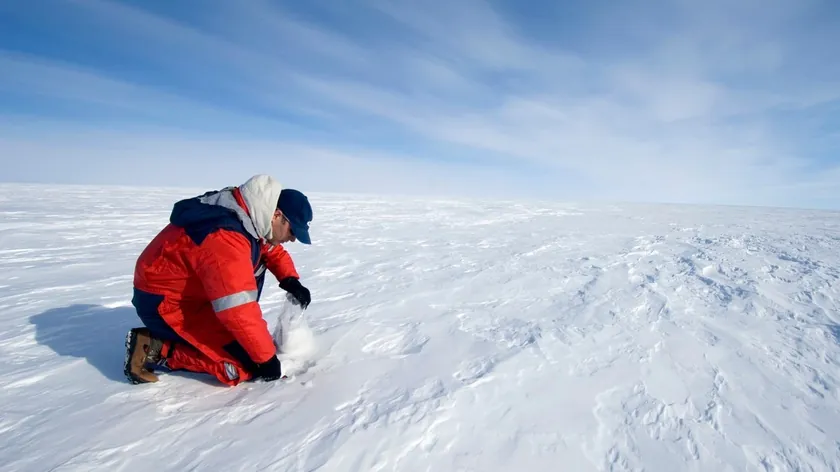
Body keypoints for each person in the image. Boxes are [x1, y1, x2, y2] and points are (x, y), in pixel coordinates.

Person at [123, 174, 313, 386]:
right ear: (277, 215)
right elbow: (238, 309)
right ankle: (155, 349)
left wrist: (290, 279)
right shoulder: (226, 237)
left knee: (253, 346)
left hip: (194, 295)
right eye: (293, 231)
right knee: (247, 365)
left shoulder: (250, 213)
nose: (293, 238)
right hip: (166, 301)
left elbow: (268, 247)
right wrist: (267, 361)